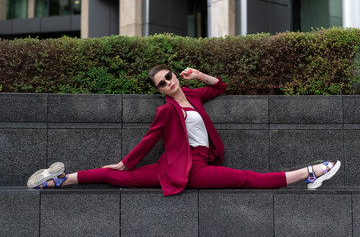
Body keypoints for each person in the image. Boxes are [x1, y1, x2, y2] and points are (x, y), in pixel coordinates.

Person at [27, 65, 341, 196]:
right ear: (159, 90)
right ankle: (310, 172)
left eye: (169, 76)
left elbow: (222, 87)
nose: (168, 82)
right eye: (162, 83)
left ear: (175, 75)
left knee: (117, 178)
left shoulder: (192, 95)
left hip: (197, 161)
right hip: (185, 167)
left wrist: (200, 75)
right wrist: (125, 162)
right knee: (247, 178)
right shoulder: (166, 110)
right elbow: (149, 139)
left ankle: (57, 180)